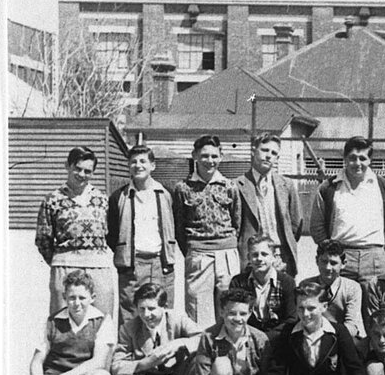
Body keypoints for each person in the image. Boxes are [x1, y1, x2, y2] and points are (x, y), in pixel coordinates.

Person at [29, 270, 116, 375]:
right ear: (64, 297)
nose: (77, 303)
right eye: (72, 298)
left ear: (93, 297)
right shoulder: (51, 322)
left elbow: (98, 361)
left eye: (82, 298)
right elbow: (36, 362)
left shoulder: (102, 320)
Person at [110, 283, 203, 375]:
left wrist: (180, 343)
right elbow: (116, 366)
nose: (146, 315)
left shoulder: (178, 319)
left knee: (197, 361)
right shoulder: (128, 328)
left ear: (164, 307)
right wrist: (143, 364)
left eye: (152, 309)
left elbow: (203, 339)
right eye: (142, 309)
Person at [35, 146, 116, 319]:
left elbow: (111, 233)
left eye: (88, 171)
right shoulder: (52, 200)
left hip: (99, 266)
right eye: (77, 168)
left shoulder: (103, 200)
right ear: (68, 166)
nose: (81, 174)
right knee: (62, 321)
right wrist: (61, 259)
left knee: (102, 320)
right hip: (65, 265)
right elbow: (43, 239)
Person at [172, 135, 242, 328]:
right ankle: (199, 353)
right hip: (199, 254)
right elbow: (179, 225)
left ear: (221, 156)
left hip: (227, 254)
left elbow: (238, 221)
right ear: (194, 155)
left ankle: (226, 350)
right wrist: (192, 249)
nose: (209, 161)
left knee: (229, 305)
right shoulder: (182, 188)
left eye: (214, 156)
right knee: (197, 307)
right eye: (204, 156)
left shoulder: (230, 186)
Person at [310, 136, 385, 283]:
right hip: (340, 258)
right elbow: (317, 227)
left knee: (375, 305)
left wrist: (379, 250)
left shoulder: (384, 187)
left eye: (363, 158)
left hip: (375, 259)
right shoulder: (329, 187)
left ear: (370, 160)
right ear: (345, 158)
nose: (357, 163)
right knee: (338, 304)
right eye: (352, 158)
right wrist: (332, 252)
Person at [107, 144, 178, 325]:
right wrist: (125, 253)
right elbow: (112, 233)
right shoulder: (119, 196)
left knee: (162, 311)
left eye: (143, 161)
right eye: (133, 162)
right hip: (133, 265)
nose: (138, 166)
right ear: (128, 165)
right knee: (130, 314)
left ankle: (162, 350)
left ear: (152, 165)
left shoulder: (167, 193)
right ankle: (129, 352)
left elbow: (177, 223)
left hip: (160, 263)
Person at [235, 133, 303, 277]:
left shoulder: (287, 185)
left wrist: (283, 252)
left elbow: (296, 225)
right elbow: (236, 226)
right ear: (253, 151)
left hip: (280, 258)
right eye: (264, 150)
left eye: (273, 153)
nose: (268, 156)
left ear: (277, 158)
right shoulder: (238, 185)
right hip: (252, 259)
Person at [228, 235, 297, 341]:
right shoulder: (238, 282)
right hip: (248, 338)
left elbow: (291, 319)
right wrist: (255, 338)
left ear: (274, 257)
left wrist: (266, 338)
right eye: (255, 255)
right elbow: (234, 314)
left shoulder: (287, 282)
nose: (259, 259)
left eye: (264, 254)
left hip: (278, 339)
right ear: (248, 258)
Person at [302, 239, 366, 341]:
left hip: (343, 338)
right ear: (316, 260)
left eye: (333, 263)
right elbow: (303, 319)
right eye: (324, 261)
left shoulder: (352, 287)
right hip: (313, 337)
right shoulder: (307, 285)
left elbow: (351, 325)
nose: (328, 267)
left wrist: (329, 337)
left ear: (343, 264)